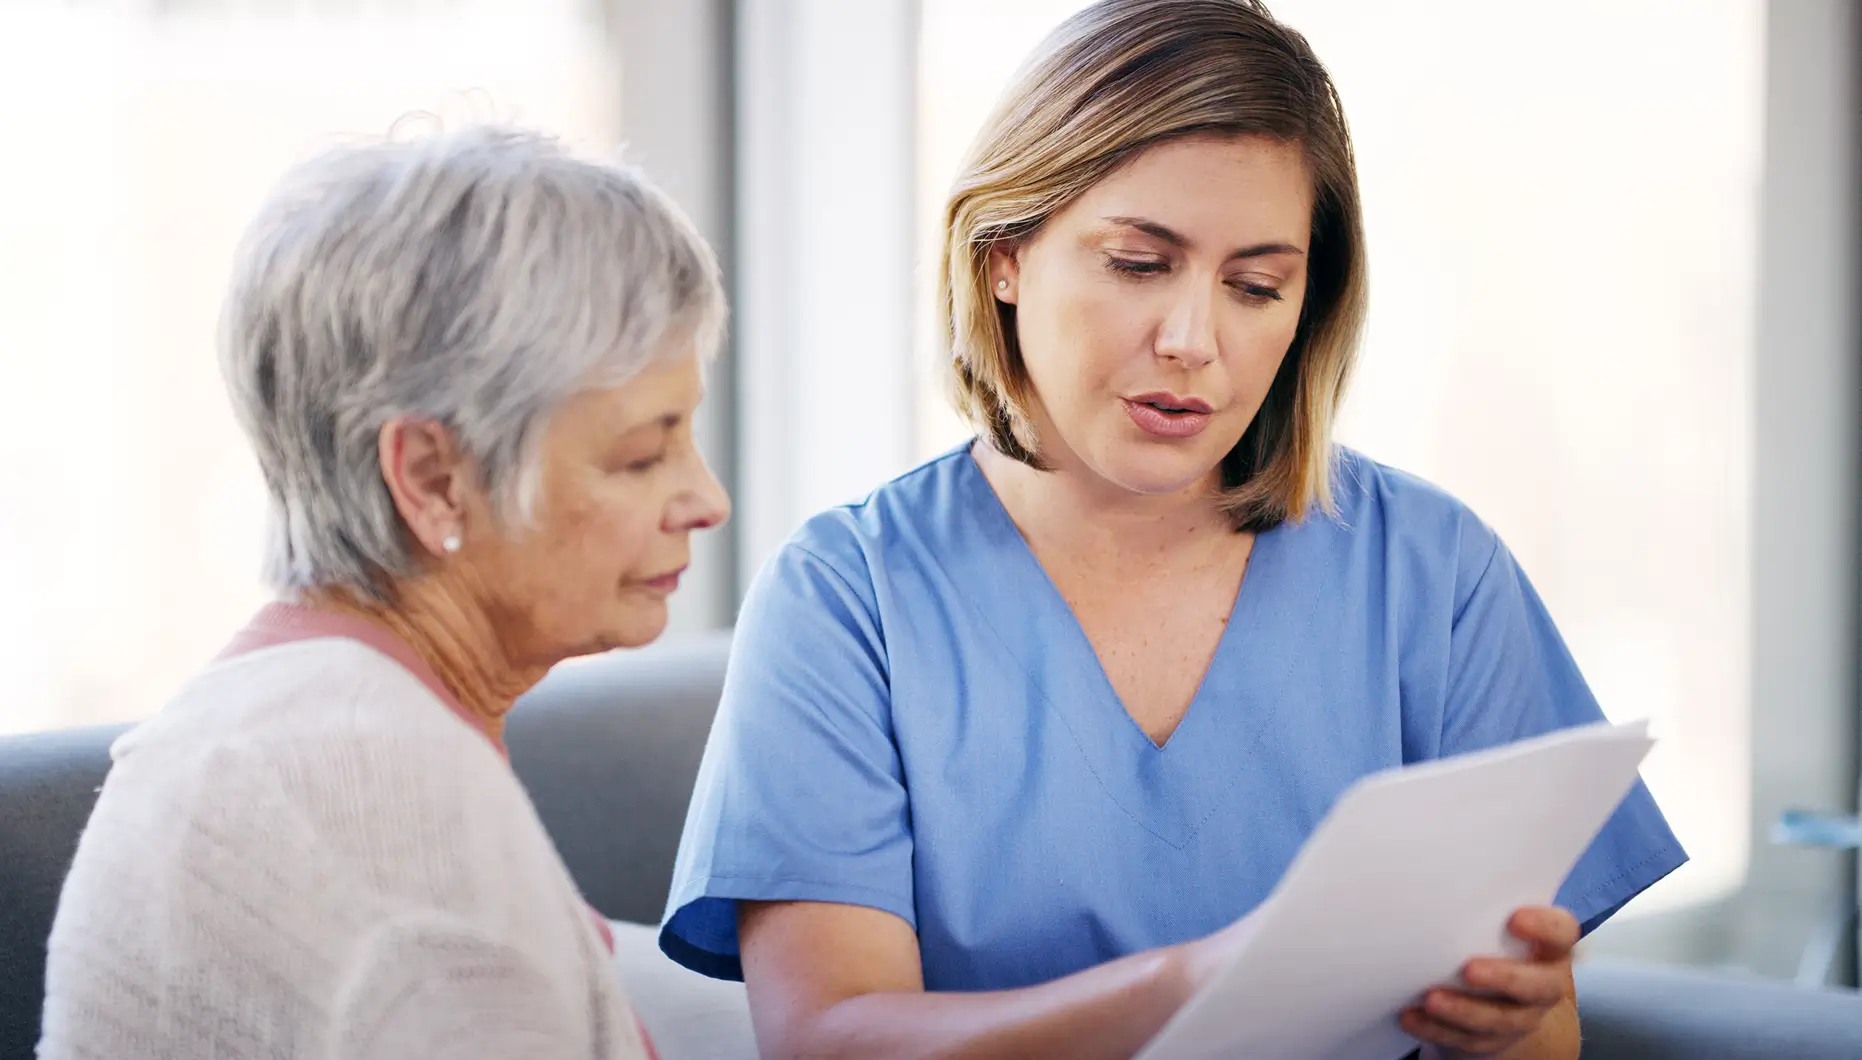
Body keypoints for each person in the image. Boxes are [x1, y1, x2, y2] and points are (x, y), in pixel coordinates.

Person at [660, 2, 1685, 1058]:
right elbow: (829, 1039)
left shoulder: (1433, 573)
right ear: (1004, 252)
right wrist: (1189, 984)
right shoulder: (845, 597)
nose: (1194, 340)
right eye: (1138, 264)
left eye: (1254, 286)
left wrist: (1501, 1022)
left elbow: (1545, 1031)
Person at [38, 124, 730, 1060]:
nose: (705, 500)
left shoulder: (291, 725)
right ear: (435, 478)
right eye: (642, 454)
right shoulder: (377, 785)